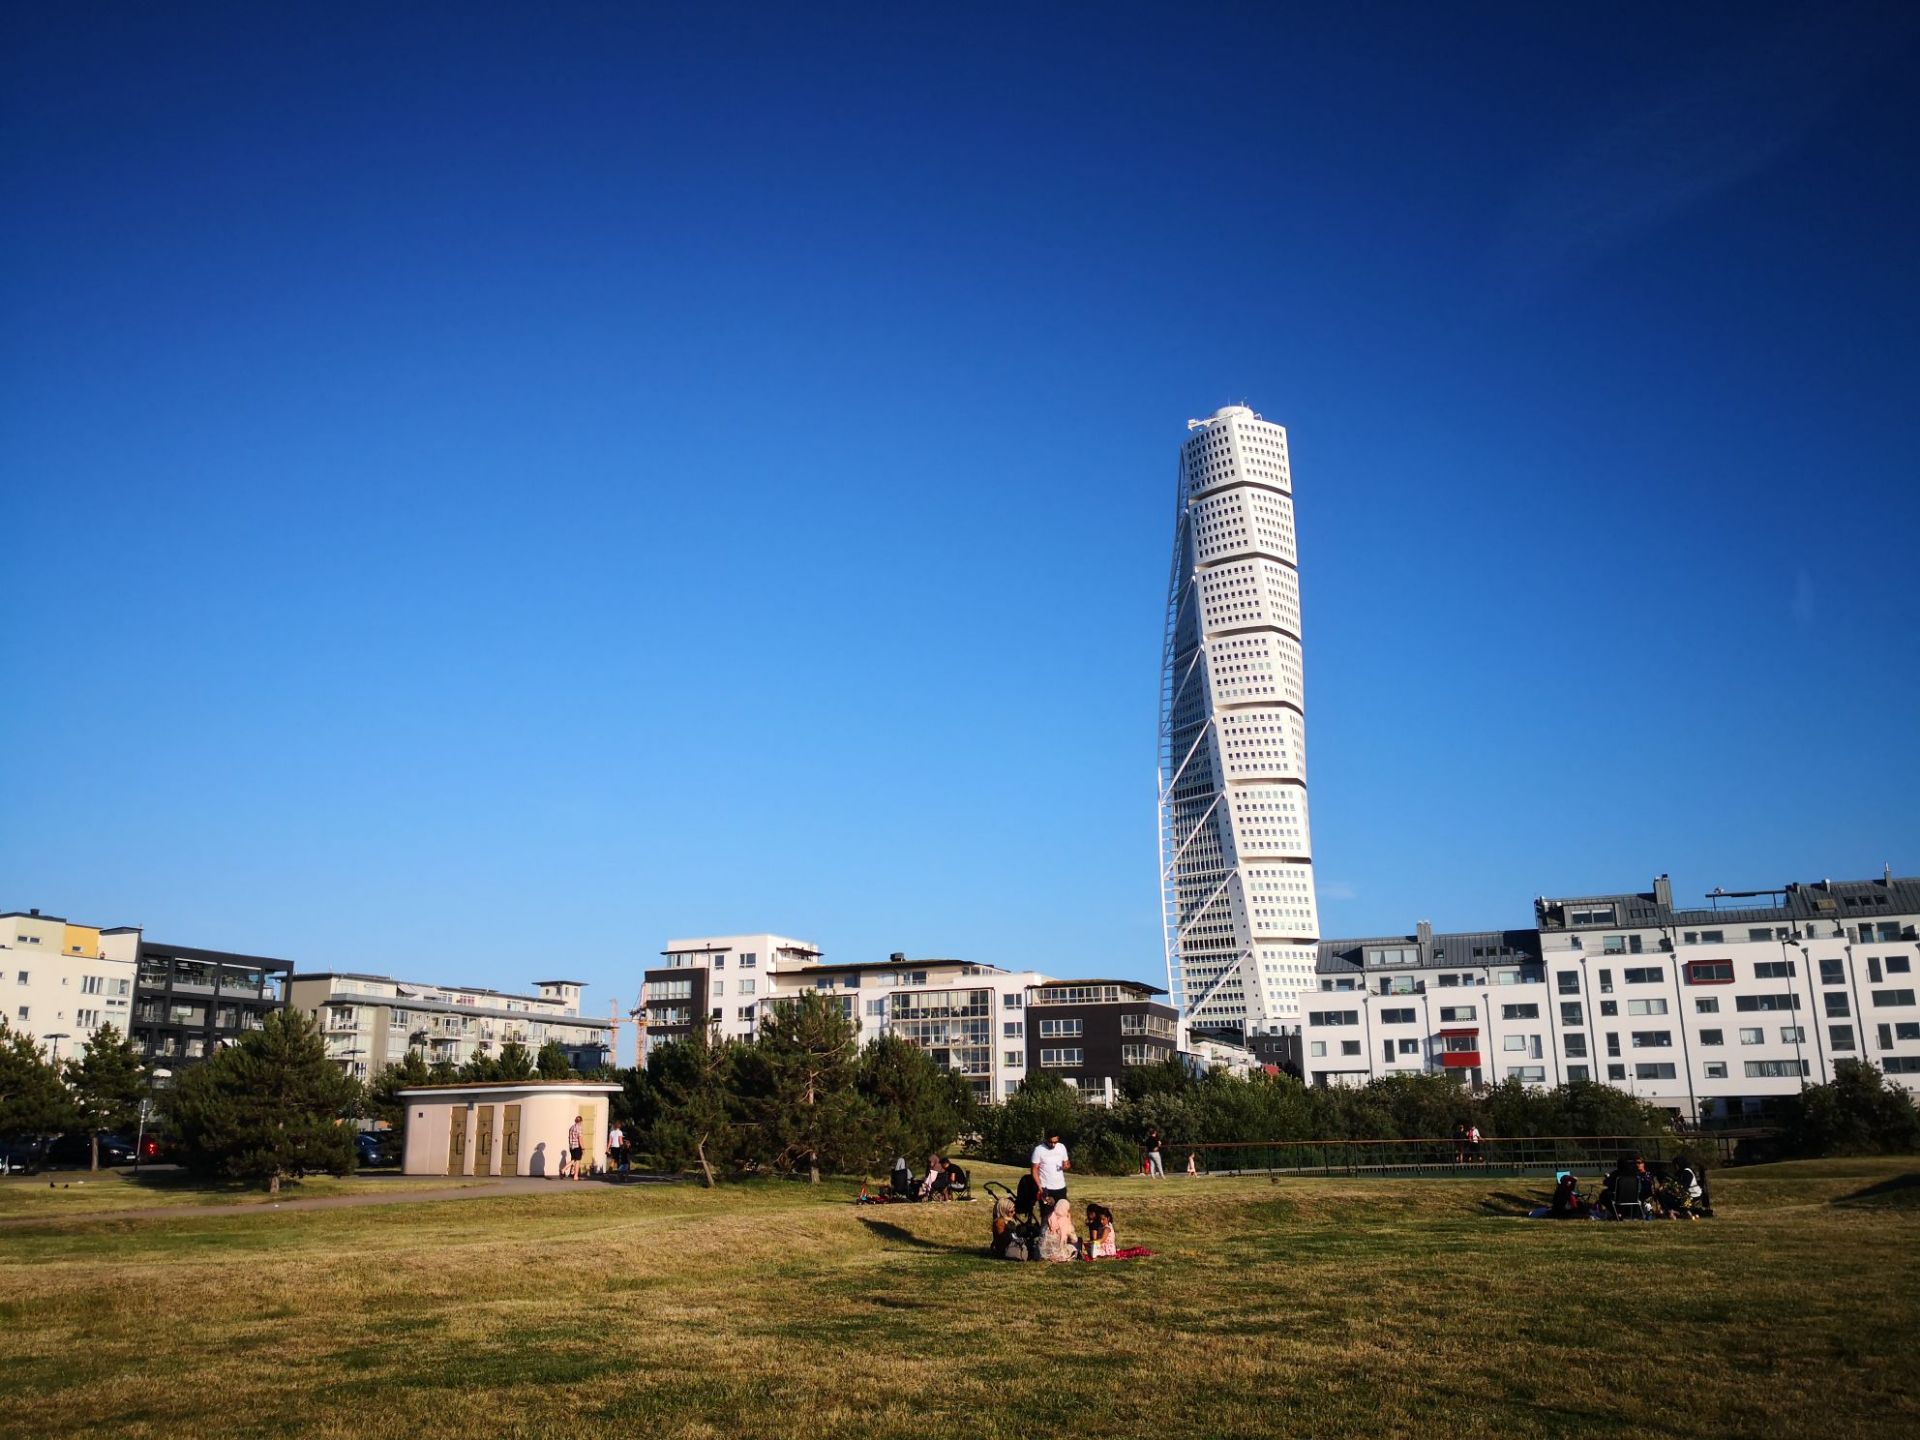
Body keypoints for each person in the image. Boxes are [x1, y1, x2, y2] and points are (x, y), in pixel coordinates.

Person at [1030, 1129, 1070, 1220]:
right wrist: (1040, 1187)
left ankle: (1062, 1234)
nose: (1053, 1145)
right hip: (1046, 1188)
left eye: (1055, 1142)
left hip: (1060, 1188)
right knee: (1047, 1217)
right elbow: (1034, 1170)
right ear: (1046, 1139)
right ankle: (1045, 1234)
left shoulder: (1061, 1147)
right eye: (1050, 1142)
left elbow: (1067, 1163)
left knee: (1062, 1215)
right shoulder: (1039, 1150)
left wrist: (1065, 1166)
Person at [1038, 1197, 1080, 1262]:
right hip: (1057, 1254)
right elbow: (1074, 1240)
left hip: (1043, 1253)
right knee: (1074, 1247)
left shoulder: (1049, 1217)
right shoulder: (1066, 1222)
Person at [566, 1115, 584, 1181]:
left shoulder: (571, 1127)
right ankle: (575, 1175)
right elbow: (580, 1138)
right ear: (581, 1121)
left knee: (574, 1159)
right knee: (577, 1160)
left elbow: (569, 1138)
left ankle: (571, 1171)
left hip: (571, 1146)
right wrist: (583, 1148)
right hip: (577, 1146)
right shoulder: (579, 1128)